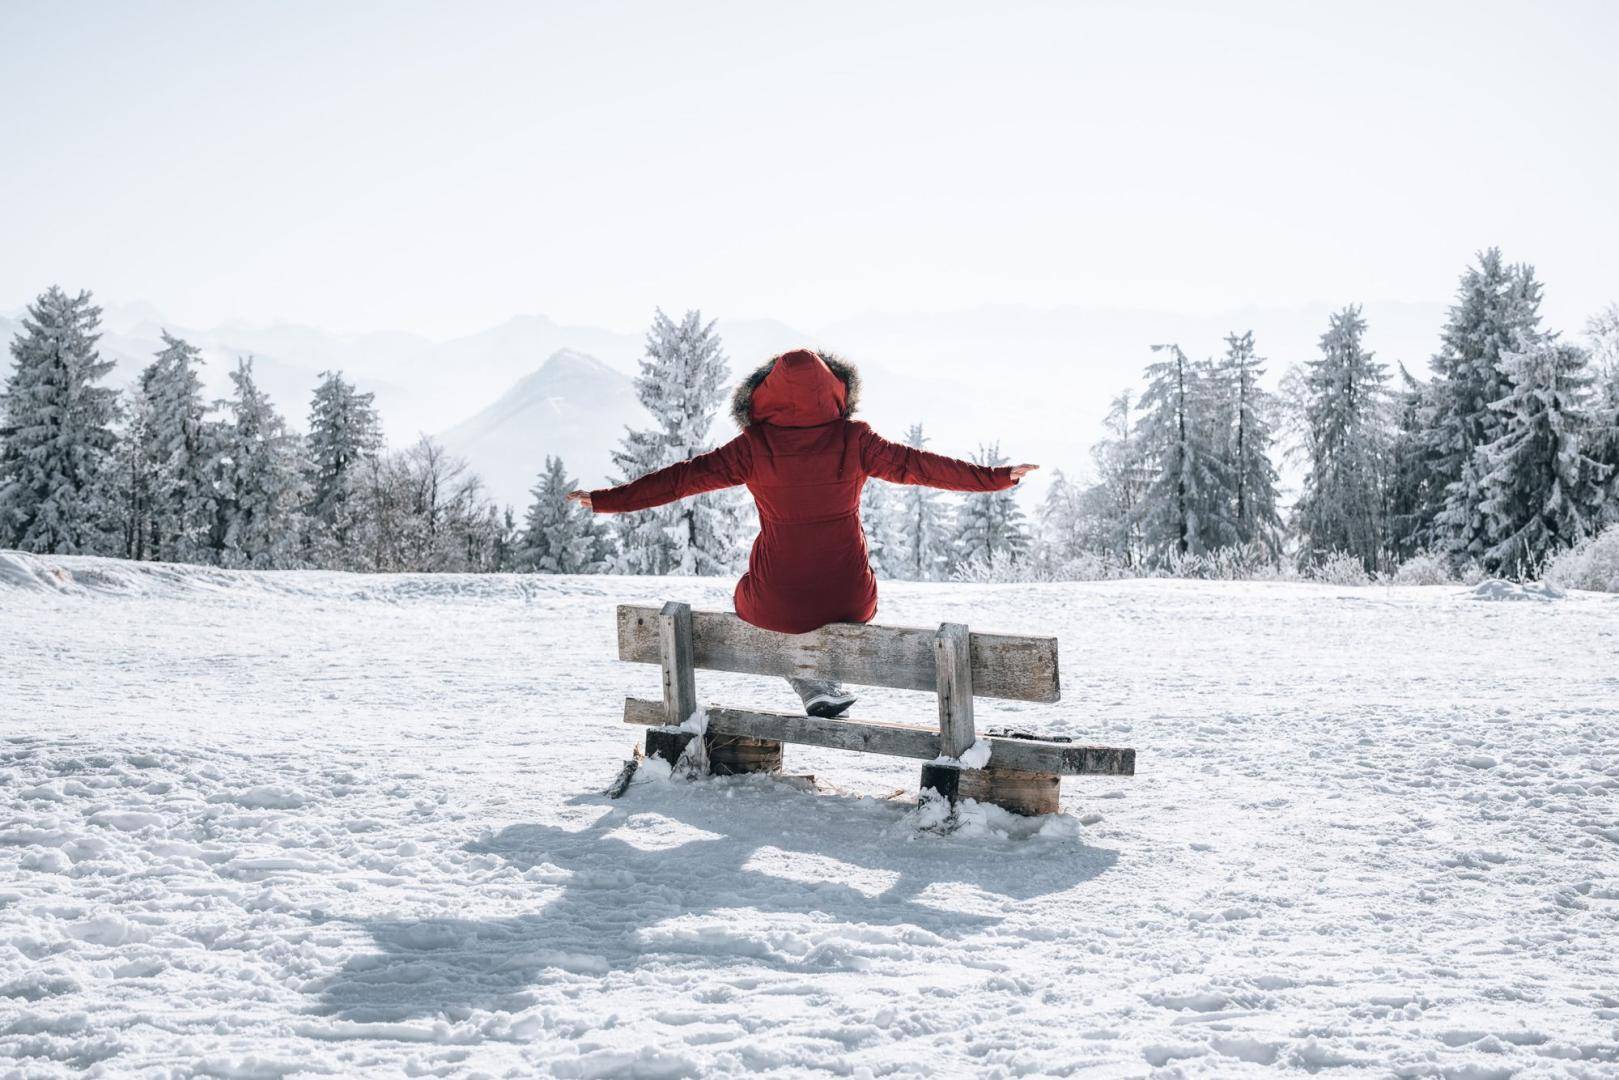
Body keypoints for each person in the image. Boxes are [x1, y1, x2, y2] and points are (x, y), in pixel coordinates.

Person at [568, 348, 1036, 718]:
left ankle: (810, 679)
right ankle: (819, 680)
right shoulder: (856, 439)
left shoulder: (753, 446)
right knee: (841, 592)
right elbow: (921, 466)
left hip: (774, 602)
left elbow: (681, 479)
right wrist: (996, 476)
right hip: (851, 599)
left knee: (755, 594)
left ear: (763, 395)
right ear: (835, 390)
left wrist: (608, 500)